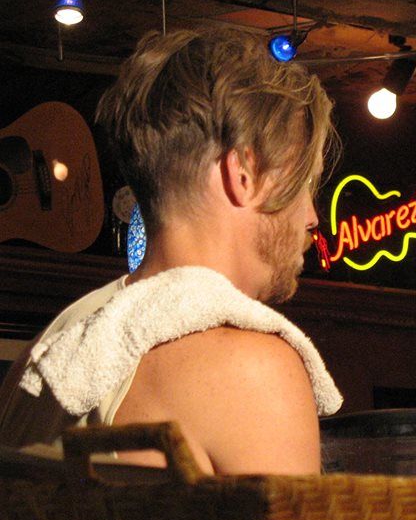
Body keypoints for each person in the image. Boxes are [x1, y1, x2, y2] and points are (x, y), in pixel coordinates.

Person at [0, 27, 343, 476]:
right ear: (243, 175)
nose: (312, 216)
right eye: (302, 183)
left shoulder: (44, 357)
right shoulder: (251, 369)